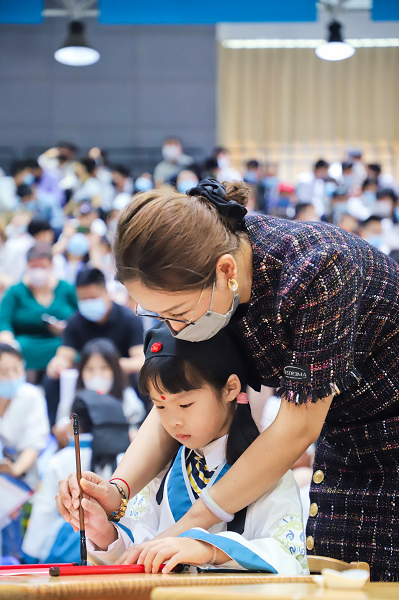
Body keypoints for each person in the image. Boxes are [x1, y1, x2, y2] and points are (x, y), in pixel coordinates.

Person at [58, 178, 399, 581]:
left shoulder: (319, 270)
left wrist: (187, 530)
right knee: (338, 581)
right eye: (158, 316)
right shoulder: (208, 281)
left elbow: (296, 428)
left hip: (381, 434)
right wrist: (118, 491)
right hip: (339, 443)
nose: (174, 329)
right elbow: (174, 397)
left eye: (179, 313)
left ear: (226, 271)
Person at [65, 323, 307, 575]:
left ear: (231, 388)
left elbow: (289, 559)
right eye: (160, 406)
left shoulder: (270, 472)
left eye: (186, 404)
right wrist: (104, 533)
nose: (173, 421)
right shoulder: (161, 469)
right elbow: (143, 548)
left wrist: (210, 550)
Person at [22, 390, 129, 564]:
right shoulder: (125, 457)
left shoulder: (60, 459)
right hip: (117, 548)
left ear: (73, 422)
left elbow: (45, 511)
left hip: (64, 549)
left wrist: (30, 556)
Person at [0, 343, 49, 558]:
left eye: (17, 369)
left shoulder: (31, 395)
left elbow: (35, 442)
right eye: (3, 372)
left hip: (19, 479)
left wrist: (15, 470)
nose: (11, 376)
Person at [0, 243, 77, 376]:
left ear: (51, 266)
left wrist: (67, 328)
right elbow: (3, 321)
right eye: (34, 267)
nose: (38, 271)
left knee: (73, 351)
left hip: (60, 344)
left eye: (43, 267)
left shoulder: (66, 289)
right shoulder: (15, 291)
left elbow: (80, 317)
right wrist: (7, 340)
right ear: (26, 266)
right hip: (26, 345)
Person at [54, 338, 145, 440]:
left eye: (104, 368)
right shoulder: (71, 401)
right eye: (90, 369)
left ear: (115, 370)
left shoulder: (128, 399)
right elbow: (61, 434)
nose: (97, 376)